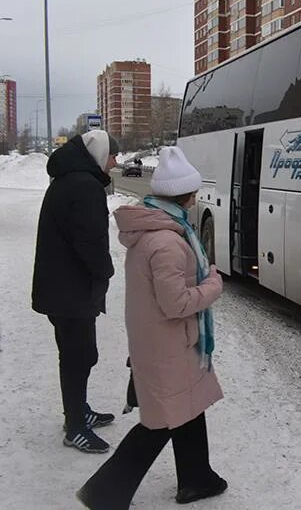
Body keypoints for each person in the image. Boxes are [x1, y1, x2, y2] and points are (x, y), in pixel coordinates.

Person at [76, 146, 227, 509]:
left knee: (187, 407)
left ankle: (197, 477)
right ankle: (104, 493)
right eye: (195, 192)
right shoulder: (167, 242)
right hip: (168, 343)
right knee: (162, 421)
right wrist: (212, 286)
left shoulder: (160, 228)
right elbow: (176, 303)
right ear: (186, 195)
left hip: (164, 340)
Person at [32, 130, 119, 453]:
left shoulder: (70, 179)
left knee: (79, 354)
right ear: (100, 155)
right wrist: (106, 271)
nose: (116, 162)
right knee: (77, 356)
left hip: (64, 287)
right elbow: (90, 241)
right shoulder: (85, 187)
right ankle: (75, 426)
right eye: (113, 155)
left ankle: (78, 410)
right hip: (71, 290)